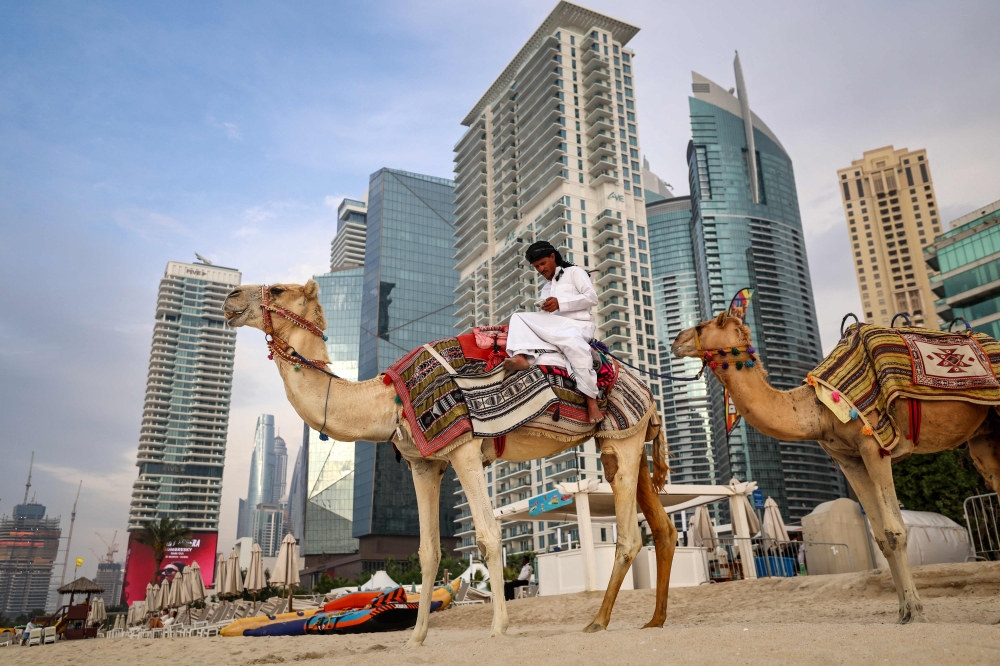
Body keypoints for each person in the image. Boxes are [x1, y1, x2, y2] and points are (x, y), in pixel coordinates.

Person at [504, 240, 603, 423]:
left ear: (552, 257)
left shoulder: (575, 272)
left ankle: (591, 401)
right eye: (536, 266)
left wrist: (560, 303)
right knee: (518, 317)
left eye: (542, 263)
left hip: (577, 326)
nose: (540, 269)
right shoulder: (546, 288)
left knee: (574, 345)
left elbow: (591, 298)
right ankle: (520, 356)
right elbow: (546, 314)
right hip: (556, 325)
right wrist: (547, 308)